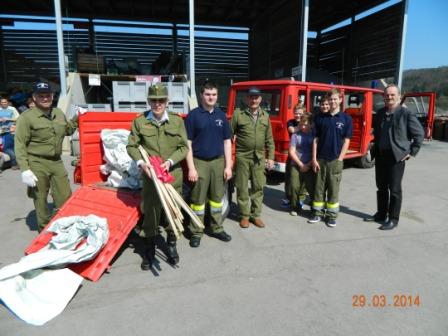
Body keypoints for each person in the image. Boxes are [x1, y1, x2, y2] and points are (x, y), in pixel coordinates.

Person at [127, 84, 188, 269]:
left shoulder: (177, 121)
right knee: (151, 213)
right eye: (154, 100)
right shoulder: (140, 122)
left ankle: (171, 246)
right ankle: (149, 250)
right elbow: (131, 146)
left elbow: (184, 147)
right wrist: (141, 163)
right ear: (149, 101)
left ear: (167, 101)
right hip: (151, 177)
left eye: (161, 100)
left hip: (172, 176)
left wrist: (170, 162)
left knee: (172, 212)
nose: (157, 104)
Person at [14, 82, 80, 232]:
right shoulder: (27, 117)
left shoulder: (58, 113)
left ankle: (61, 225)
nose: (45, 98)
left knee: (64, 195)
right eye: (41, 96)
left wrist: (77, 118)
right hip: (37, 162)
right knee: (40, 198)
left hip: (56, 161)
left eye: (48, 95)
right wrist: (25, 169)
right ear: (34, 98)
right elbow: (20, 145)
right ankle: (44, 229)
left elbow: (67, 130)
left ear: (52, 96)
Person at [364, 84, 424, 230]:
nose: (389, 97)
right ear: (383, 97)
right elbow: (377, 133)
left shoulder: (406, 114)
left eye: (392, 94)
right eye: (387, 95)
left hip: (396, 157)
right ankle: (381, 214)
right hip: (381, 155)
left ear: (399, 96)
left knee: (395, 189)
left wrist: (412, 152)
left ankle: (393, 219)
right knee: (381, 187)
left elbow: (419, 134)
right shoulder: (380, 113)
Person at [185, 80, 233, 248]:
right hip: (200, 162)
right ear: (201, 95)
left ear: (217, 96)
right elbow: (188, 144)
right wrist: (191, 167)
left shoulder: (221, 116)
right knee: (198, 200)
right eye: (207, 94)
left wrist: (228, 166)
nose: (211, 97)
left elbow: (227, 142)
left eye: (214, 94)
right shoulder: (193, 116)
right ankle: (196, 231)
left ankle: (216, 228)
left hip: (218, 162)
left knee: (216, 199)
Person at [231, 87, 275, 228]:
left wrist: (271, 157)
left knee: (258, 187)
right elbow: (229, 136)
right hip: (243, 156)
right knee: (242, 187)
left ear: (260, 99)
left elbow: (269, 139)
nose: (253, 100)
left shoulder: (265, 116)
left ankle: (255, 215)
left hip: (259, 158)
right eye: (251, 97)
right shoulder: (238, 115)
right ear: (246, 99)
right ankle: (244, 216)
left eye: (256, 97)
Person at [309, 89, 353, 227]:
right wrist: (314, 158)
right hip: (320, 159)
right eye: (331, 99)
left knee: (333, 189)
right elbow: (315, 139)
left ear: (340, 100)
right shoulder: (320, 118)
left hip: (335, 160)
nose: (333, 101)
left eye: (335, 99)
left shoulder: (346, 119)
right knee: (318, 188)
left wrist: (340, 158)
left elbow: (347, 140)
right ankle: (317, 213)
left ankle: (332, 216)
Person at [288, 112, 315, 216]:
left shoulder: (313, 135)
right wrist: (300, 164)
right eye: (302, 124)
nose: (303, 126)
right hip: (296, 164)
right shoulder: (295, 135)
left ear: (311, 124)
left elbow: (316, 152)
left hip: (310, 164)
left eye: (306, 124)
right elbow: (291, 151)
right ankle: (296, 207)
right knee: (294, 186)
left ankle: (315, 207)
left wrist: (308, 164)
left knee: (311, 187)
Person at [282, 104, 305, 210]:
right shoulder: (290, 122)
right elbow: (292, 130)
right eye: (296, 113)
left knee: (303, 179)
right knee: (289, 178)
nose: (298, 115)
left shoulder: (307, 122)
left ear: (304, 113)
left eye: (300, 113)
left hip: (305, 154)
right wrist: (304, 124)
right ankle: (288, 198)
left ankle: (300, 199)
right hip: (292, 154)